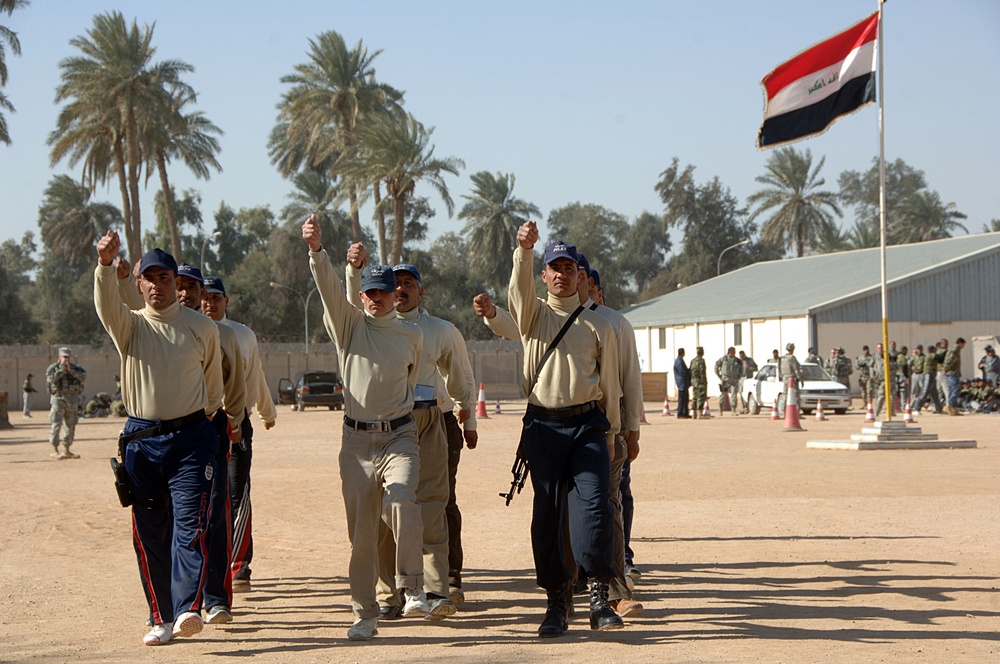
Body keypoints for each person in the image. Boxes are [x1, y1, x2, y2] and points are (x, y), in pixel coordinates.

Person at [303, 215, 428, 641]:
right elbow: (328, 290)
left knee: (402, 501)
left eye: (384, 292)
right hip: (356, 440)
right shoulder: (349, 327)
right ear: (361, 295)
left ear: (396, 295)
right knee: (361, 534)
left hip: (399, 435)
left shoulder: (412, 336)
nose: (376, 298)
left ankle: (413, 587)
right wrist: (318, 252)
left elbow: (408, 383)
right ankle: (365, 613)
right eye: (369, 292)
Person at [94, 233, 224, 646]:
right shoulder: (129, 325)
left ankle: (188, 607)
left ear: (175, 281)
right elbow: (104, 305)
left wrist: (202, 425)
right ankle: (160, 617)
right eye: (147, 278)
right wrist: (103, 264)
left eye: (163, 277)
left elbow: (213, 388)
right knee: (151, 532)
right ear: (138, 284)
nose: (156, 285)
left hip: (190, 441)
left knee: (190, 526)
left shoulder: (202, 327)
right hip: (142, 444)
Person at [345, 252, 474, 620]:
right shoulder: (365, 328)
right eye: (393, 284)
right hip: (383, 423)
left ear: (420, 290)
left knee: (431, 504)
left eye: (407, 283)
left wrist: (469, 417)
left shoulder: (438, 330)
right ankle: (389, 595)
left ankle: (435, 590)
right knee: (385, 511)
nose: (399, 290)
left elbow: (460, 375)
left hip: (429, 419)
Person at [508, 224, 623, 637]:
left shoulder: (600, 325)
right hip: (543, 427)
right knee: (548, 515)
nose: (561, 274)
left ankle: (597, 594)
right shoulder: (533, 315)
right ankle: (557, 601)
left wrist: (612, 437)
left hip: (588, 427)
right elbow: (516, 294)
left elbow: (610, 384)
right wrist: (524, 251)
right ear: (544, 275)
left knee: (595, 505)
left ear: (580, 275)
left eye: (568, 268)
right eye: (553, 268)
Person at [175, 263, 248, 626]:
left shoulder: (222, 335)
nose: (189, 295)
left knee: (216, 513)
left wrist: (232, 421)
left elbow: (236, 385)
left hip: (211, 427)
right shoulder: (157, 331)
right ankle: (178, 600)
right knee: (176, 519)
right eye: (182, 286)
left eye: (196, 289)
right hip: (167, 432)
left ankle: (216, 598)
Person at [201, 274, 277, 595]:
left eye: (216, 298)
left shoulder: (243, 336)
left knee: (236, 490)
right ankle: (204, 565)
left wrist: (266, 410)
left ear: (226, 301)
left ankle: (239, 565)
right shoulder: (190, 331)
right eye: (204, 297)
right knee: (202, 495)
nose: (209, 303)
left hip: (235, 421)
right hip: (197, 424)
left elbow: (255, 373)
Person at [45, 346, 86, 460]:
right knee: (56, 423)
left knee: (70, 424)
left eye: (68, 357)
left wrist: (70, 370)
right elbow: (52, 379)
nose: (66, 359)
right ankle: (55, 449)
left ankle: (67, 449)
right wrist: (62, 370)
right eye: (64, 357)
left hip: (72, 400)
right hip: (58, 399)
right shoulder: (53, 369)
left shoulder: (76, 369)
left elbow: (83, 377)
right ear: (59, 357)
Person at [714, 347, 742, 416]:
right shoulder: (724, 359)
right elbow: (716, 365)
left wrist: (739, 376)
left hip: (734, 380)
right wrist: (719, 375)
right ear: (729, 352)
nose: (734, 353)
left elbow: (741, 369)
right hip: (725, 380)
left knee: (734, 395)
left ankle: (733, 410)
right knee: (723, 395)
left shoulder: (737, 360)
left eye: (734, 352)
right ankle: (720, 410)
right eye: (733, 352)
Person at [942, 337, 966, 416]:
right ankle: (949, 405)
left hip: (953, 372)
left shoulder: (956, 350)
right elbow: (950, 359)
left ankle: (953, 409)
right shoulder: (955, 350)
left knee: (953, 389)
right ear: (960, 343)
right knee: (956, 388)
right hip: (952, 372)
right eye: (963, 344)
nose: (964, 346)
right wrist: (945, 368)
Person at [777, 343, 802, 411]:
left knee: (785, 394)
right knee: (795, 395)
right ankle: (796, 412)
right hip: (792, 379)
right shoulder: (791, 358)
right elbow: (796, 369)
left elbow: (779, 369)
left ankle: (784, 410)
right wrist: (800, 379)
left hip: (785, 378)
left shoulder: (782, 358)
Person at [690, 347, 709, 418]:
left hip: (694, 381)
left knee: (695, 396)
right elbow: (702, 371)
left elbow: (690, 371)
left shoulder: (693, 361)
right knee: (701, 396)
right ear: (702, 352)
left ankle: (694, 414)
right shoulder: (701, 361)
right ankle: (700, 414)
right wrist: (704, 381)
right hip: (700, 381)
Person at [674, 348, 691, 418]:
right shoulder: (679, 361)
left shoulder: (680, 360)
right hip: (682, 383)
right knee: (682, 399)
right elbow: (682, 371)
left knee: (686, 398)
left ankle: (685, 413)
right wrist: (688, 371)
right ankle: (680, 413)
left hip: (683, 382)